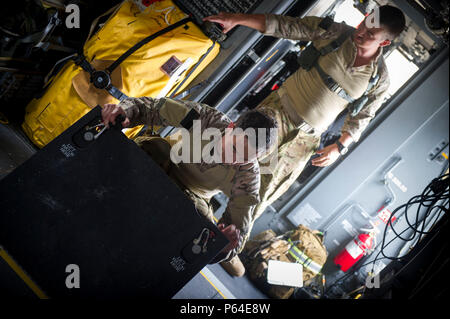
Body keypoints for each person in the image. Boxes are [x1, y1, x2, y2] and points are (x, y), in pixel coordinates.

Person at [204, 5, 406, 275]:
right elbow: (284, 25)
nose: (360, 32)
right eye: (363, 24)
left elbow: (363, 117)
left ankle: (225, 242)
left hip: (305, 138)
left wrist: (340, 146)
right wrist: (236, 18)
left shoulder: (379, 78)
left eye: (370, 33)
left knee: (264, 190)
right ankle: (190, 205)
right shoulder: (334, 32)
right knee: (228, 158)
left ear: (385, 42)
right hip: (275, 112)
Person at [101, 96, 277, 275]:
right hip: (161, 160)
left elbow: (237, 234)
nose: (234, 160)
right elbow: (152, 108)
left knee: (204, 234)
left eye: (245, 158)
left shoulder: (248, 177)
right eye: (234, 148)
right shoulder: (208, 120)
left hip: (191, 198)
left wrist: (224, 245)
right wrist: (125, 112)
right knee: (151, 149)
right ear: (230, 128)